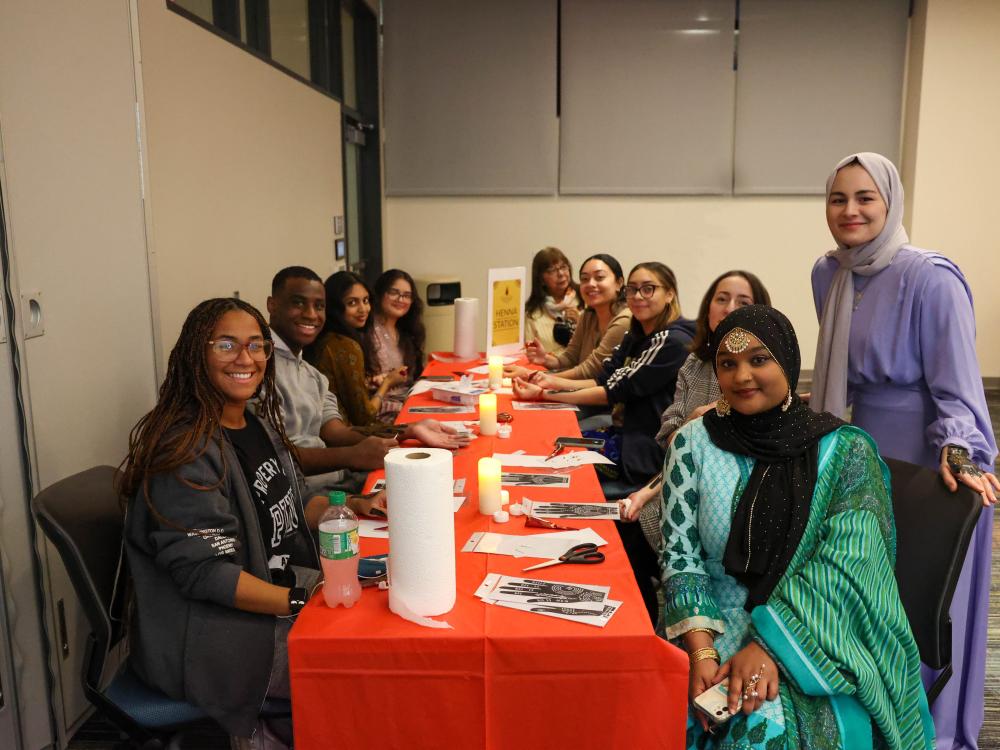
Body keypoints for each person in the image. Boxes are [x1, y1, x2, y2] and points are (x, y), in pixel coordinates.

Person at [662, 305, 933, 749]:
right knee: (658, 710)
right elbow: (680, 556)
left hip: (818, 634)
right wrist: (702, 653)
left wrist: (770, 649)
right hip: (710, 624)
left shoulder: (844, 452)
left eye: (758, 359)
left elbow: (848, 568)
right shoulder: (694, 443)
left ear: (787, 361)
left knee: (760, 732)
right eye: (727, 364)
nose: (742, 375)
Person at [118, 298, 386, 744]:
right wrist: (300, 602)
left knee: (386, 616)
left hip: (276, 596)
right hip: (214, 639)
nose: (246, 359)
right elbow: (206, 575)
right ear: (196, 354)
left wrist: (354, 506)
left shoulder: (256, 423)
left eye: (256, 345)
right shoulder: (184, 452)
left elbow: (296, 505)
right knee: (372, 671)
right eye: (226, 345)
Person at [811, 153, 999, 749]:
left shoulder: (931, 278)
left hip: (927, 453)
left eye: (866, 197)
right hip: (865, 450)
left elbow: (957, 389)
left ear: (890, 203)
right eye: (839, 198)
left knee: (921, 598)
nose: (851, 210)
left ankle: (933, 731)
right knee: (867, 594)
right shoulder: (829, 273)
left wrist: (958, 452)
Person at [514, 262, 694, 623]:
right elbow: (606, 374)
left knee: (566, 487)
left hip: (643, 455)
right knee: (549, 459)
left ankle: (622, 607)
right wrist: (546, 385)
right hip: (622, 438)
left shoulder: (671, 339)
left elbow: (615, 389)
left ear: (670, 293)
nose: (639, 297)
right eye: (634, 289)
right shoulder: (639, 332)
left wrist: (546, 392)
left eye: (649, 289)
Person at [267, 267, 467, 495]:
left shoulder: (312, 374)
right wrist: (354, 456)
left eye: (318, 306)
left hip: (337, 477)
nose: (311, 314)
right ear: (272, 305)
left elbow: (336, 432)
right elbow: (273, 457)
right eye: (299, 303)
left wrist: (408, 430)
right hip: (306, 494)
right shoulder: (261, 367)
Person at [622, 270, 771, 553]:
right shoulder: (696, 363)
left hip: (734, 498)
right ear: (708, 308)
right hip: (679, 480)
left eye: (743, 302)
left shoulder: (766, 368)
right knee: (623, 529)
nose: (729, 309)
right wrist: (693, 422)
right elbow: (672, 439)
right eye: (722, 299)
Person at [507, 253, 631, 381]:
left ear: (619, 283)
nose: (591, 284)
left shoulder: (624, 319)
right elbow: (570, 358)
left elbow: (590, 370)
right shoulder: (588, 316)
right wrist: (546, 359)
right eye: (584, 279)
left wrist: (532, 375)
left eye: (599, 277)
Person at [307, 271, 407, 428]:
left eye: (366, 301)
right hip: (345, 437)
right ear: (335, 307)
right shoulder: (344, 346)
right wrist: (387, 382)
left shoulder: (327, 338)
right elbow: (365, 417)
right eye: (352, 303)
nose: (363, 309)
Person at [368, 269, 426, 422]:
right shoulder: (367, 331)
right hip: (382, 411)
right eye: (394, 292)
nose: (401, 299)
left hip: (408, 403)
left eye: (407, 296)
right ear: (380, 293)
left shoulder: (407, 331)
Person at [523, 247, 584, 356]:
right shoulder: (531, 313)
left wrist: (581, 323)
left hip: (583, 368)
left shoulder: (584, 297)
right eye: (552, 270)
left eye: (563, 267)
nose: (560, 273)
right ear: (541, 279)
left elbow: (600, 341)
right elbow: (530, 353)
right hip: (548, 370)